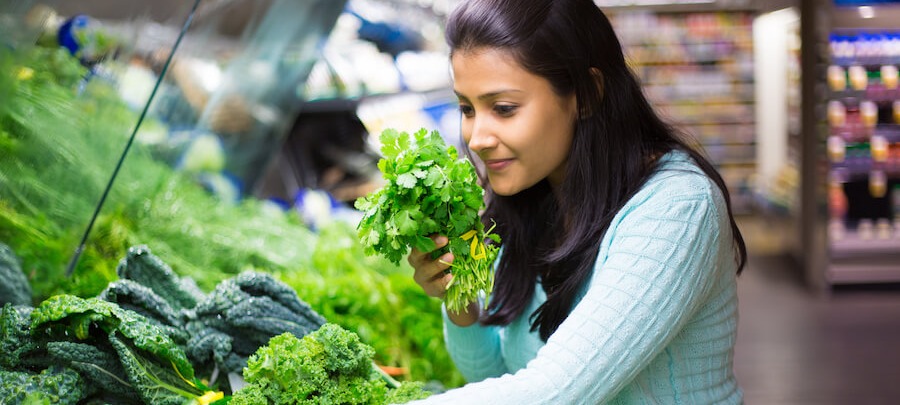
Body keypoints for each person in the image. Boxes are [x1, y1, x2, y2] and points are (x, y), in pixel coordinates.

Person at [404, 0, 748, 403]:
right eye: (467, 108)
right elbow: (498, 373)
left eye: (503, 108)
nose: (477, 137)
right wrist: (460, 299)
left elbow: (552, 393)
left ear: (586, 94)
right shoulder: (532, 198)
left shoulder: (679, 208)